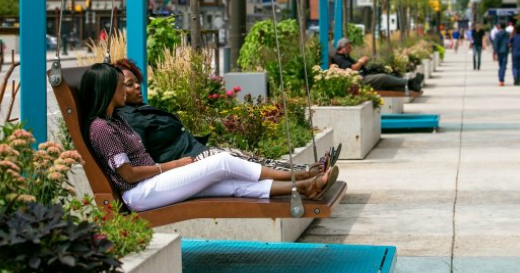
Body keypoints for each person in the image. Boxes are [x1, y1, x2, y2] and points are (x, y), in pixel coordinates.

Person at [80, 63, 338, 212]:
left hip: (153, 184)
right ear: (107, 90)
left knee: (233, 185)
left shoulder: (116, 119)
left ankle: (305, 188)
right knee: (222, 162)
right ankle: (303, 175)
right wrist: (173, 165)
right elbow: (127, 175)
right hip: (140, 192)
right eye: (119, 86)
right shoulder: (101, 128)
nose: (126, 91)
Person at [113, 59, 331, 178]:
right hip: (187, 161)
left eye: (136, 82)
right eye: (128, 85)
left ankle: (305, 170)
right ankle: (304, 175)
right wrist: (173, 166)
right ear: (115, 89)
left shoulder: (139, 109)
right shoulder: (127, 119)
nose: (136, 88)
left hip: (194, 151)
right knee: (237, 159)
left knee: (247, 156)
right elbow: (139, 156)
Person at [332, 38, 423, 92]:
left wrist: (363, 63)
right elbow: (352, 69)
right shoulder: (339, 58)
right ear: (342, 48)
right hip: (360, 80)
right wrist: (361, 62)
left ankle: (411, 86)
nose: (350, 49)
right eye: (348, 47)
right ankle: (409, 83)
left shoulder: (346, 56)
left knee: (386, 76)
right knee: (383, 77)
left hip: (364, 76)